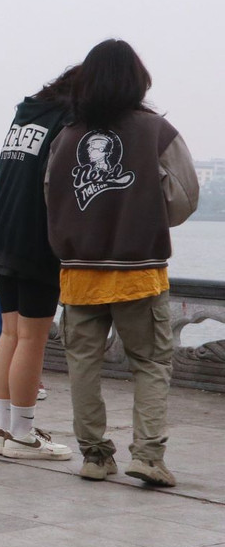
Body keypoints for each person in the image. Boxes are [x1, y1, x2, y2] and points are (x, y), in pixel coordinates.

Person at [46, 39, 198, 486]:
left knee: (83, 365)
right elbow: (185, 198)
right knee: (150, 362)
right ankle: (148, 456)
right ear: (138, 79)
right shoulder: (157, 132)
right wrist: (146, 217)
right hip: (139, 272)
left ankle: (94, 455)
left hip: (78, 273)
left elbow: (50, 200)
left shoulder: (67, 137)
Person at [0, 67, 80, 459]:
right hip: (34, 237)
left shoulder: (26, 115)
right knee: (33, 338)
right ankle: (23, 434)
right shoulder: (67, 121)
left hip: (1, 231)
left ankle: (7, 429)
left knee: (10, 333)